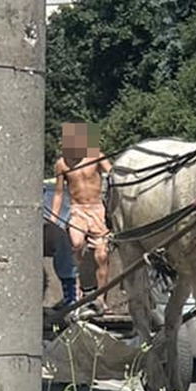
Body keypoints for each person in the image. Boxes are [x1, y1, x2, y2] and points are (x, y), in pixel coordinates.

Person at [49, 121, 112, 309]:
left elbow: (113, 175)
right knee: (75, 244)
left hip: (97, 209)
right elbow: (59, 193)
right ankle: (74, 294)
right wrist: (53, 218)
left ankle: (101, 298)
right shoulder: (62, 163)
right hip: (77, 209)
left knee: (102, 254)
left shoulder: (96, 156)